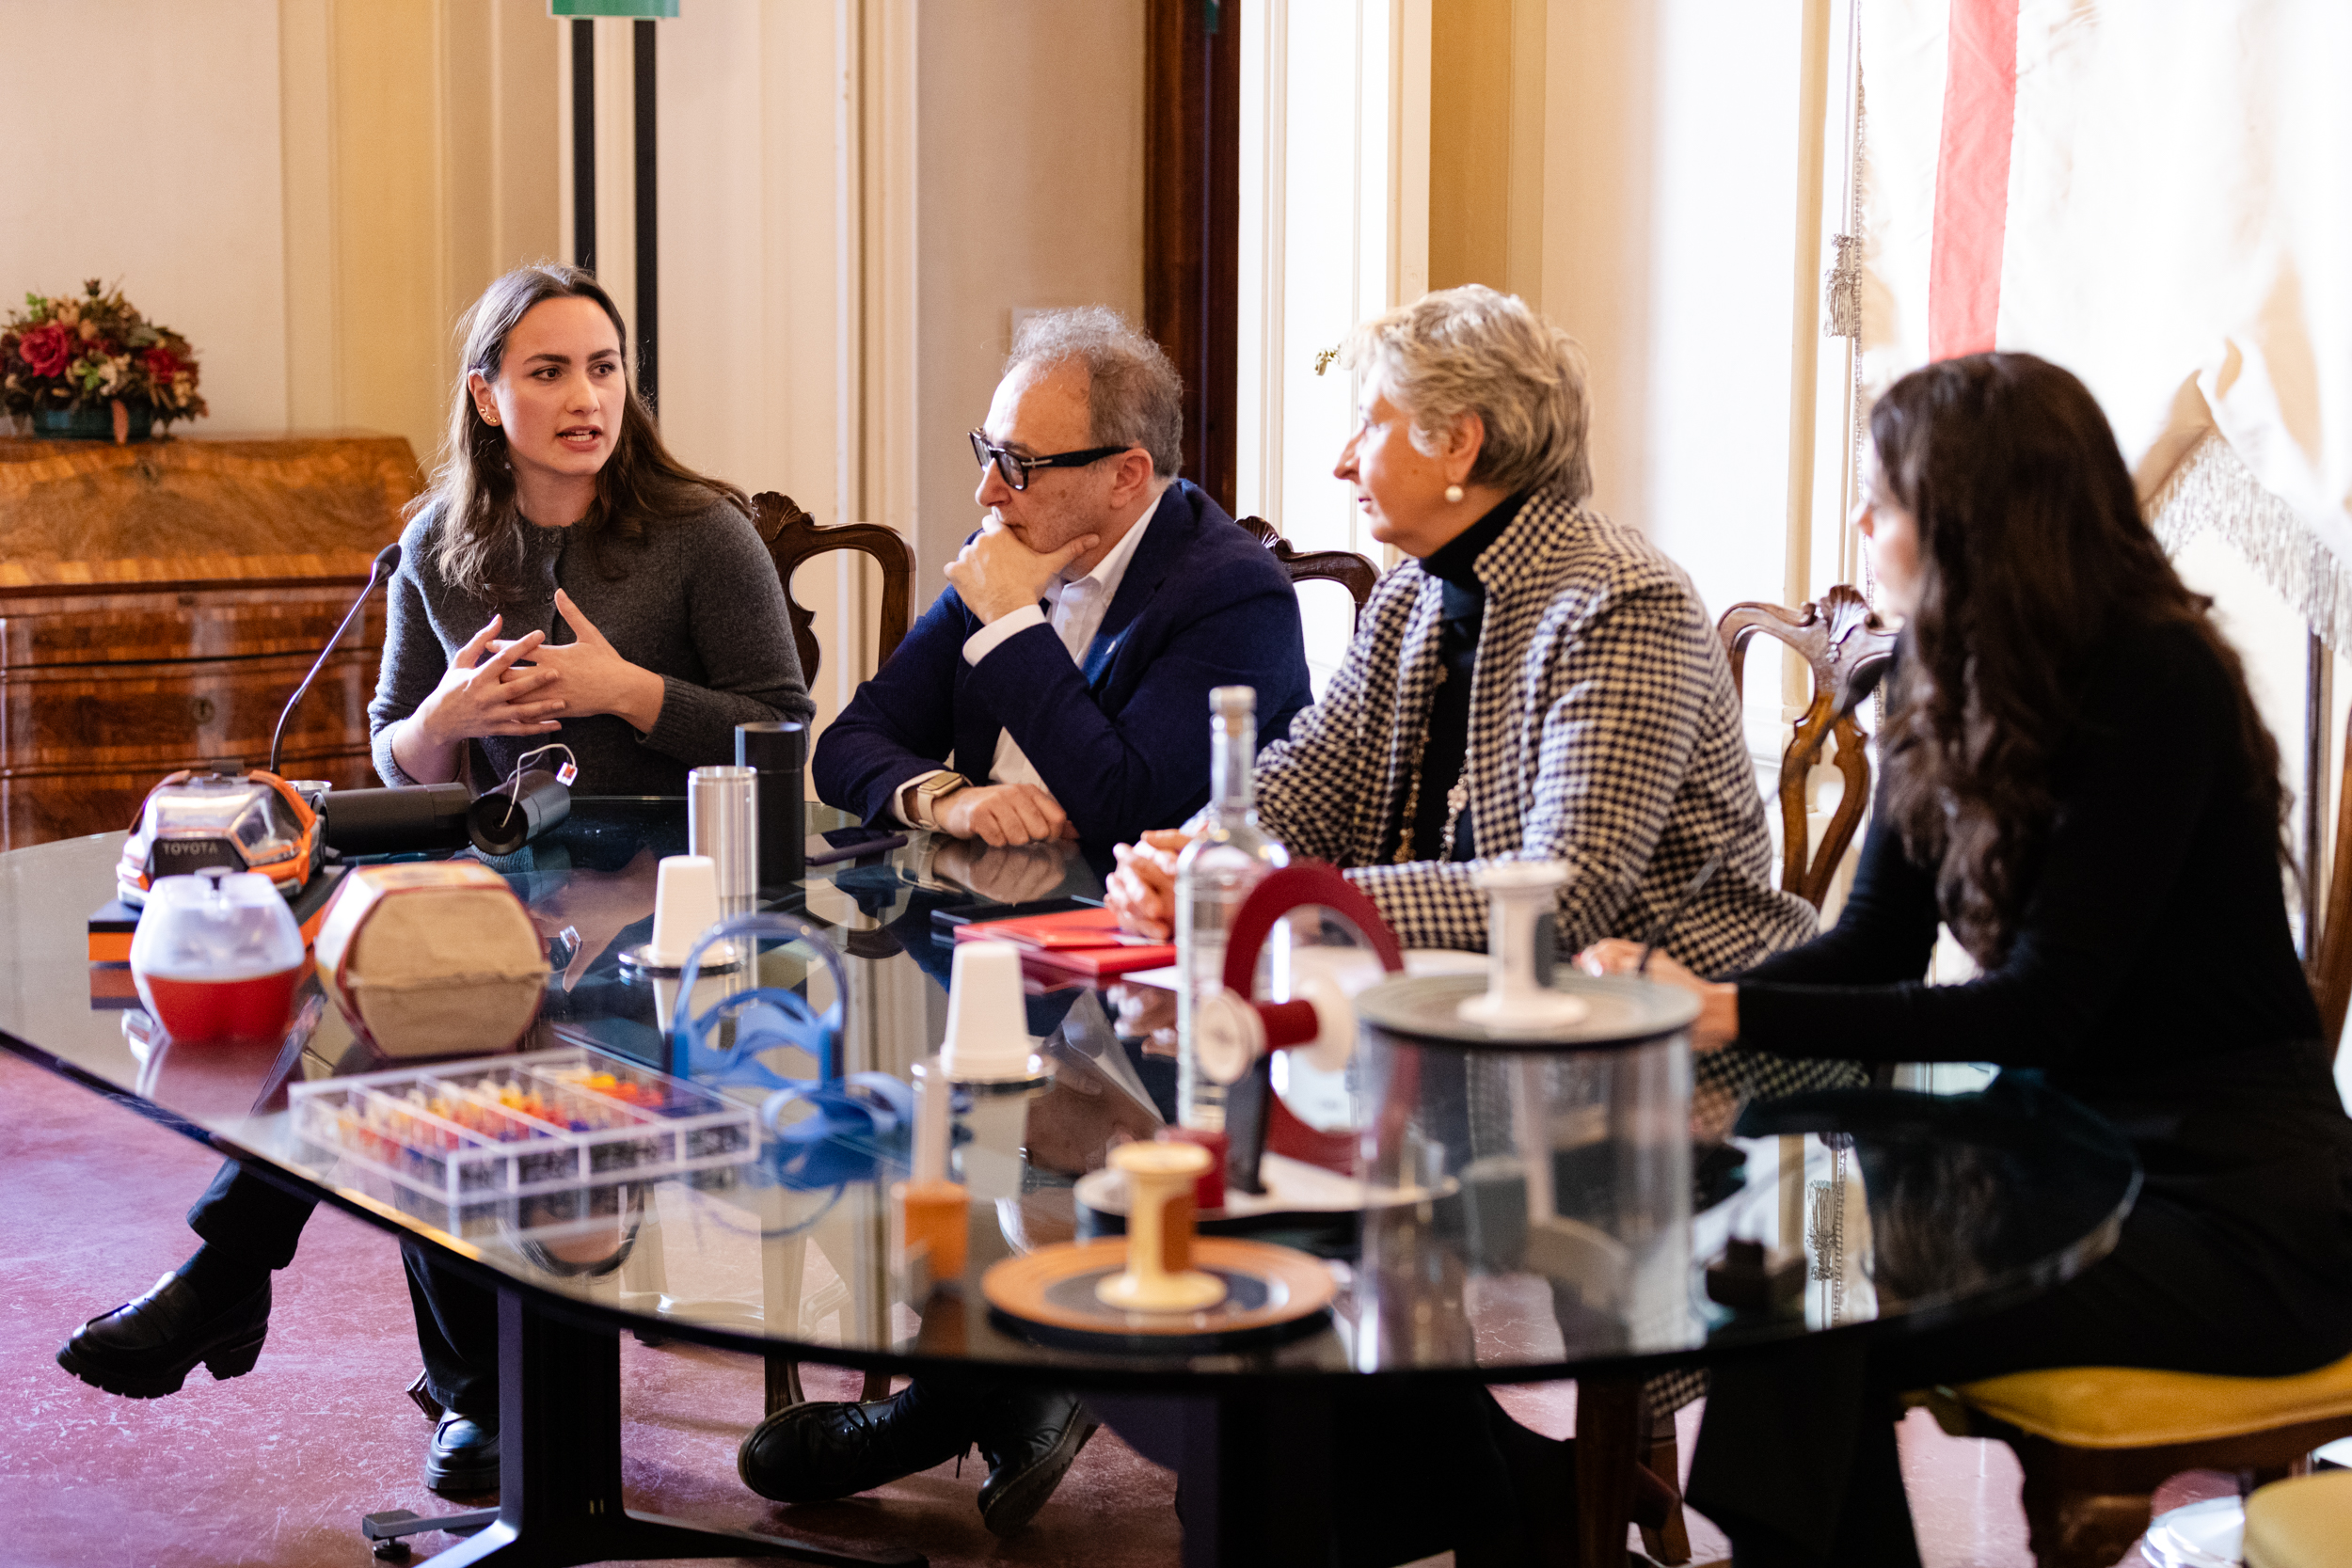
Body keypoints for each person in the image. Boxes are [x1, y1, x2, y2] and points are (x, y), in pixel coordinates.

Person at [1581, 353, 2352, 1564]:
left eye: (1878, 498)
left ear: (1967, 512)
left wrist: (1724, 1009)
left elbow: (2039, 1011)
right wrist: (1678, 1006)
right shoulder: (1933, 672)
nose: (1857, 522)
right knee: (1775, 1254)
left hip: (2227, 1206)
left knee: (1802, 1292)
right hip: (2057, 1162)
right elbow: (1867, 947)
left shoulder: (2156, 680)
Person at [58, 262, 813, 1498]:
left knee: (451, 1016)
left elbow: (787, 732)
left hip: (677, 883)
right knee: (395, 996)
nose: (585, 396)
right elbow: (393, 750)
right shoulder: (441, 541)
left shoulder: (700, 532)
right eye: (549, 371)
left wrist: (625, 690)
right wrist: (450, 715)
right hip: (500, 875)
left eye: (604, 367)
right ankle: (467, 1386)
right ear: (487, 393)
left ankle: (279, 1299)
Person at [1106, 284, 1849, 1103]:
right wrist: (1200, 856)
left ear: (1459, 444)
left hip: (1664, 1079)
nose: (1344, 458)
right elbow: (1305, 782)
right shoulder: (1409, 594)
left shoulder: (1623, 602)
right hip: (1452, 1035)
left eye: (1372, 423)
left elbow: (1563, 895)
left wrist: (1284, 899)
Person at [813, 306, 1313, 848]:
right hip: (986, 899)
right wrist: (950, 801)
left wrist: (1010, 620)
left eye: (1019, 464)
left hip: (1138, 913)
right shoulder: (1004, 556)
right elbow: (847, 744)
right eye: (988, 452)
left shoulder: (1234, 593)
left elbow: (1124, 809)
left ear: (1126, 476)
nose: (987, 492)